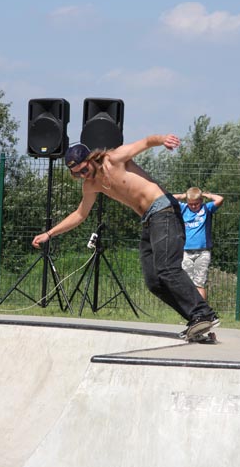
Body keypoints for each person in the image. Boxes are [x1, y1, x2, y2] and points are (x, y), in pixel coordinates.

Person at [32, 135, 218, 338]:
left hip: (164, 210)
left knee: (167, 268)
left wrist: (163, 139)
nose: (84, 176)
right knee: (154, 281)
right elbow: (80, 215)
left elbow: (146, 143)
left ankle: (204, 314)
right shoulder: (90, 185)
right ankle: (196, 321)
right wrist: (49, 234)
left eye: (84, 170)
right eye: (77, 175)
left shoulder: (114, 158)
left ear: (92, 159)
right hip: (149, 219)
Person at [172, 187, 223, 299]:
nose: (194, 206)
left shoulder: (206, 208)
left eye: (196, 203)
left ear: (201, 201)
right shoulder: (183, 208)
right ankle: (190, 312)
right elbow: (168, 199)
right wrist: (183, 196)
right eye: (191, 204)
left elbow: (220, 199)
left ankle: (202, 313)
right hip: (186, 252)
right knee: (187, 283)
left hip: (203, 252)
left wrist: (208, 196)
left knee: (199, 283)